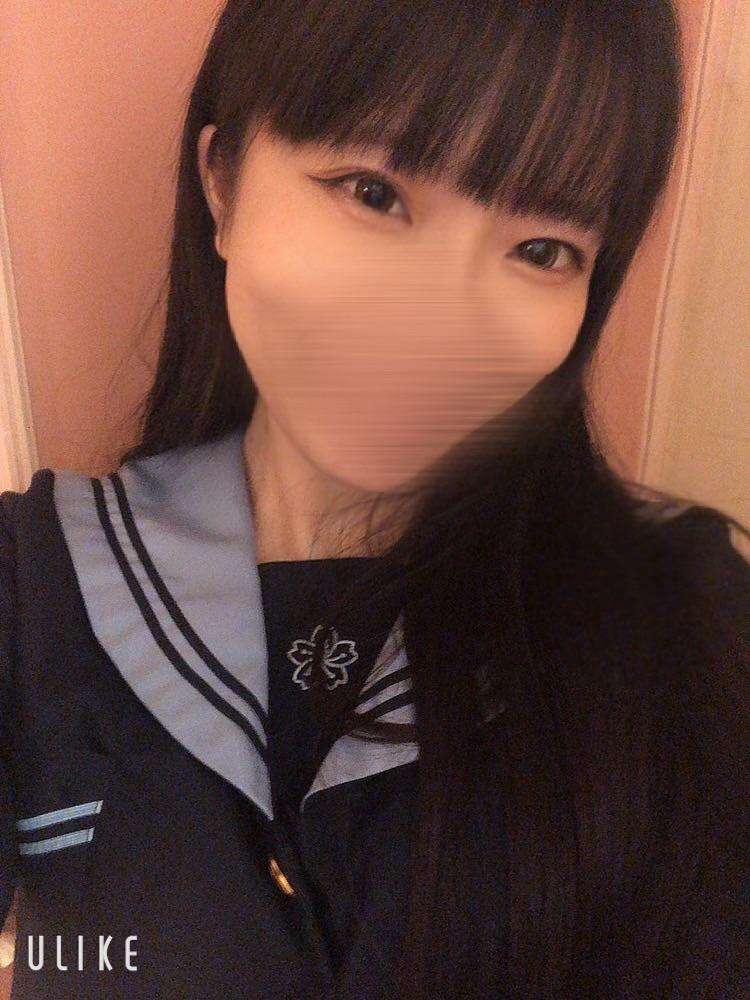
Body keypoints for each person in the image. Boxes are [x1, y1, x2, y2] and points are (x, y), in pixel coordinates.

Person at [1, 1, 749, 997]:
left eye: (542, 250)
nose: (442, 326)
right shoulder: (36, 587)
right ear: (222, 183)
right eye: (374, 191)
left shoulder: (684, 610)